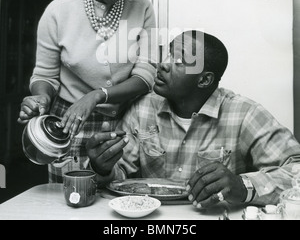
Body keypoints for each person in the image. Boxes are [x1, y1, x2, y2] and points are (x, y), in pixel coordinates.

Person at [86, 30, 300, 208]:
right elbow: (119, 177)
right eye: (168, 54)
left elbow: (296, 172)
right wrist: (102, 167)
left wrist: (245, 187)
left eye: (179, 61)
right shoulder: (143, 108)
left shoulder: (244, 113)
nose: (163, 65)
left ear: (204, 79)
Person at [18, 0, 157, 183]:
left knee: (119, 200)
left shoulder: (142, 8)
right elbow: (45, 76)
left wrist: (98, 96)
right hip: (70, 123)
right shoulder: (58, 12)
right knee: (69, 200)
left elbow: (146, 76)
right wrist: (40, 96)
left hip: (126, 123)